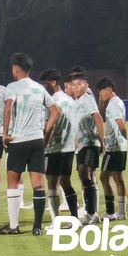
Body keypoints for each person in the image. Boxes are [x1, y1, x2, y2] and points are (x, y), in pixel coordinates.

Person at [0, 53, 60, 236]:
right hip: (36, 141)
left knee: (13, 182)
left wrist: (5, 133)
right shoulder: (39, 88)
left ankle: (14, 226)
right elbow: (55, 111)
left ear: (16, 69)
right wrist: (44, 131)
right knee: (38, 184)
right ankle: (37, 227)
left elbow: (8, 108)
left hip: (18, 140)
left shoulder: (13, 87)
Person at [38, 69, 79, 224]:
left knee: (52, 184)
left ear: (53, 82)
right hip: (68, 148)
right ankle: (74, 218)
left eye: (45, 83)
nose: (43, 86)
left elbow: (51, 126)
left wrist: (44, 143)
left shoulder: (52, 101)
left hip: (54, 149)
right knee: (66, 182)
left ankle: (56, 221)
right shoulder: (69, 100)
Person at [70, 72, 105, 225]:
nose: (76, 87)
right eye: (74, 85)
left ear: (86, 85)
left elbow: (97, 117)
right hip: (82, 145)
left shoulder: (87, 99)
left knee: (86, 174)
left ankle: (92, 213)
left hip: (91, 143)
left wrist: (102, 140)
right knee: (83, 176)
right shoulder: (76, 102)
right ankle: (90, 212)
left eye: (79, 84)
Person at [96, 77, 128, 221]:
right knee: (118, 178)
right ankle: (121, 212)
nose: (100, 95)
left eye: (101, 92)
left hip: (114, 148)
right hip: (120, 146)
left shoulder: (113, 105)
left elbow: (120, 124)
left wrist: (123, 135)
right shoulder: (119, 101)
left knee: (104, 177)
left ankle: (110, 212)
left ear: (108, 90)